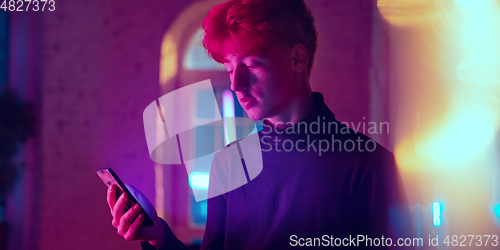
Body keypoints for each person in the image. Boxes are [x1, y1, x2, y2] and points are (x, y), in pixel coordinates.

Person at [106, 0, 413, 249]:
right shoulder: (228, 163)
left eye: (251, 65)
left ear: (297, 59)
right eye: (229, 69)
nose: (236, 85)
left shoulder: (371, 168)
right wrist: (156, 233)